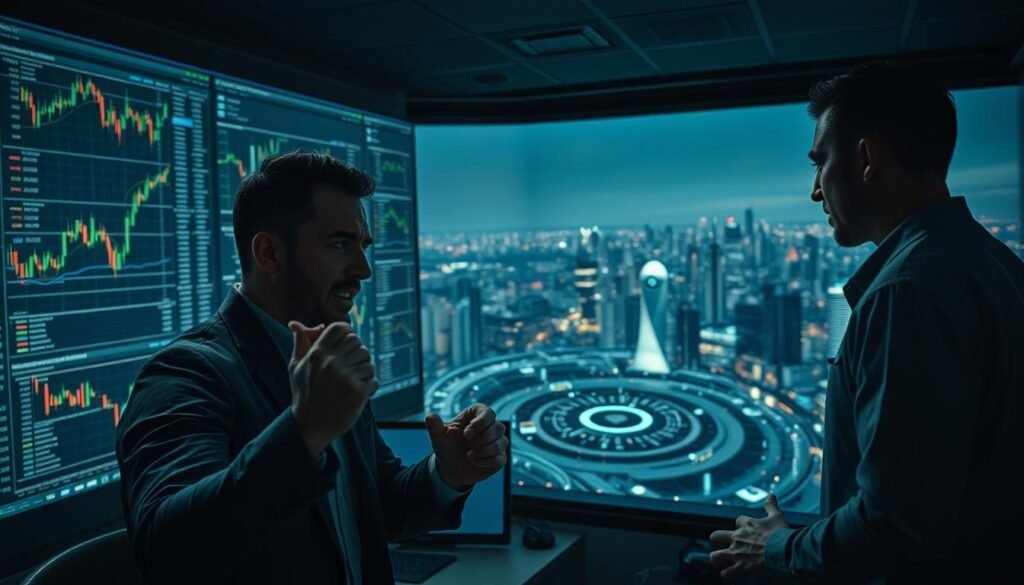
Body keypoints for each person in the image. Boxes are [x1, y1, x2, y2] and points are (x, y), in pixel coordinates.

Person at [116, 151, 509, 584]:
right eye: (341, 244)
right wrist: (304, 432)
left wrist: (447, 473)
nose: (363, 270)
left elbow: (378, 506)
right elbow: (169, 553)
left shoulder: (327, 364)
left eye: (363, 247)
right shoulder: (187, 373)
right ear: (269, 253)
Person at [708, 62, 1024, 583]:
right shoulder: (993, 262)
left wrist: (778, 548)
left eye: (820, 162)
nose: (815, 190)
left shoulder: (908, 292)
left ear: (865, 158)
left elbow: (895, 523)